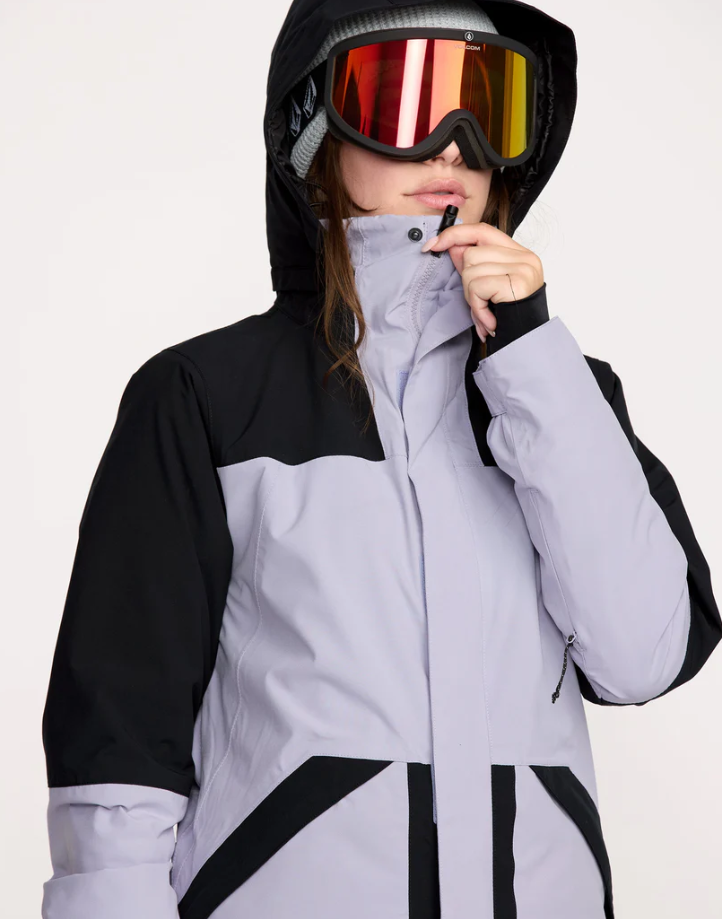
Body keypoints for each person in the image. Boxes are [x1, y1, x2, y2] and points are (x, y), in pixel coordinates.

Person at [40, 1, 721, 917]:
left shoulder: (559, 396)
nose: (454, 145)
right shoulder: (205, 398)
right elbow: (120, 751)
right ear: (316, 131)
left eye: (487, 104)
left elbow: (642, 655)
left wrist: (530, 353)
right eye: (406, 101)